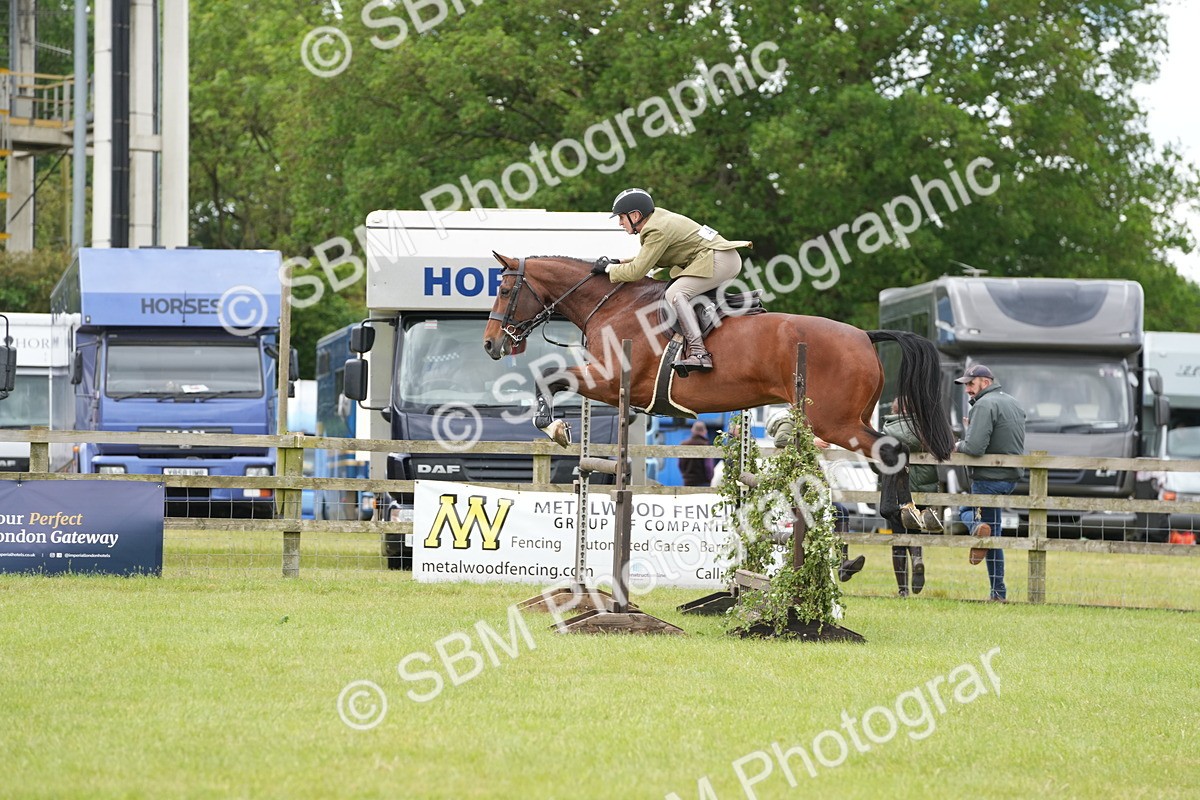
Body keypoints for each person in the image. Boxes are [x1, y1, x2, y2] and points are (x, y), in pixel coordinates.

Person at [593, 188, 751, 376]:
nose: (620, 223)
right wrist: (619, 262)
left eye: (621, 217)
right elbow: (648, 257)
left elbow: (637, 272)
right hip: (721, 257)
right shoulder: (657, 218)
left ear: (635, 215)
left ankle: (700, 353)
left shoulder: (655, 229)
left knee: (675, 294)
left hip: (719, 260)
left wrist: (609, 270)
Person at [954, 364, 1027, 602]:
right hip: (1010, 477)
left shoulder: (984, 405)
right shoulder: (1012, 402)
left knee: (963, 513)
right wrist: (972, 429)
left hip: (988, 477)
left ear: (985, 382)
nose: (967, 390)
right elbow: (1000, 437)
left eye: (970, 384)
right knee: (993, 536)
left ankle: (976, 528)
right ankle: (998, 593)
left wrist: (957, 445)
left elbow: (974, 448)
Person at [766, 410, 864, 581]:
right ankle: (839, 564)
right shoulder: (789, 420)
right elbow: (780, 439)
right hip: (801, 492)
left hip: (809, 490)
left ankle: (842, 563)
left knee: (839, 513)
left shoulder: (801, 421)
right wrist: (811, 441)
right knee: (837, 514)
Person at [881, 398, 941, 597]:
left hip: (896, 489)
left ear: (895, 409)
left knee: (898, 538)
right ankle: (917, 558)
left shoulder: (886, 429)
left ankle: (902, 590)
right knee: (916, 529)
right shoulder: (924, 429)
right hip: (922, 486)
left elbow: (877, 458)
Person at [678, 420, 714, 487]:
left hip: (688, 482)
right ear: (705, 431)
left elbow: (680, 464)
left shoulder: (684, 445)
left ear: (692, 430)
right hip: (703, 482)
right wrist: (709, 479)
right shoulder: (705, 445)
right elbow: (708, 467)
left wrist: (686, 476)